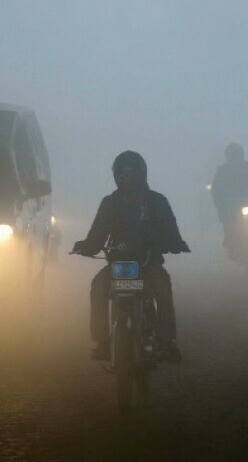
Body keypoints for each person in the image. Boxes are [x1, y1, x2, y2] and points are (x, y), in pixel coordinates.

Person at [72, 151, 190, 363]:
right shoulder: (110, 203)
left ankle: (166, 342)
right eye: (124, 174)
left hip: (149, 263)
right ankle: (101, 343)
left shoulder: (157, 201)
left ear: (142, 174)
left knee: (162, 287)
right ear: (117, 176)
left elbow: (171, 230)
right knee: (99, 286)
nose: (129, 178)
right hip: (119, 265)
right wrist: (87, 247)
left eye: (133, 173)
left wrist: (175, 243)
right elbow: (98, 233)